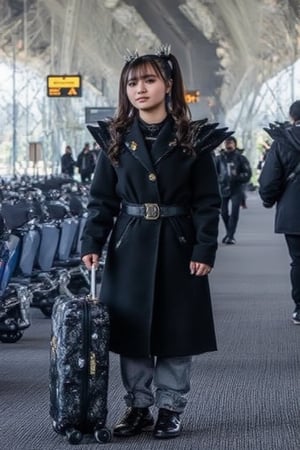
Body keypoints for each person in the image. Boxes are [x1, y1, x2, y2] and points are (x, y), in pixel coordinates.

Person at [81, 45, 232, 440]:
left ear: (168, 85)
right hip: (128, 245)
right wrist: (91, 241)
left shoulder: (193, 139)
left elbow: (206, 202)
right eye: (132, 82)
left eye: (149, 80)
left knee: (175, 330)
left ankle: (170, 407)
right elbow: (101, 200)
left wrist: (204, 248)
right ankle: (138, 405)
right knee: (131, 331)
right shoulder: (114, 138)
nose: (140, 89)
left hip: (178, 244)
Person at [259, 100, 300, 325]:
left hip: (293, 212)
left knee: (298, 261)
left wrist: (268, 199)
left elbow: (269, 178)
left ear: (292, 116)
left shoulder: (282, 141)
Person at [215, 136, 252, 244]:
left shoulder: (241, 158)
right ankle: (229, 233)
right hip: (223, 189)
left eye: (230, 142)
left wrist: (237, 177)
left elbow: (248, 174)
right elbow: (214, 173)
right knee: (224, 212)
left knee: (235, 212)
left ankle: (231, 236)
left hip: (237, 189)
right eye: (226, 142)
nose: (228, 144)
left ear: (235, 144)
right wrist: (220, 180)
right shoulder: (219, 158)